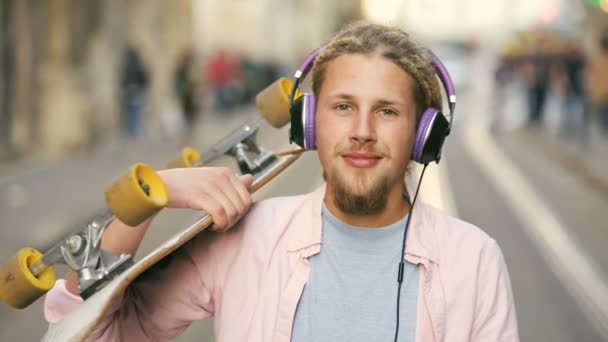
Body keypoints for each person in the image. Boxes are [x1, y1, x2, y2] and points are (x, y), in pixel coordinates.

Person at [44, 22, 519, 341]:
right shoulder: (244, 239)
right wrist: (155, 196)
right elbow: (87, 334)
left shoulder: (473, 261)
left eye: (388, 112)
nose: (362, 131)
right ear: (310, 122)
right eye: (343, 106)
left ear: (423, 135)